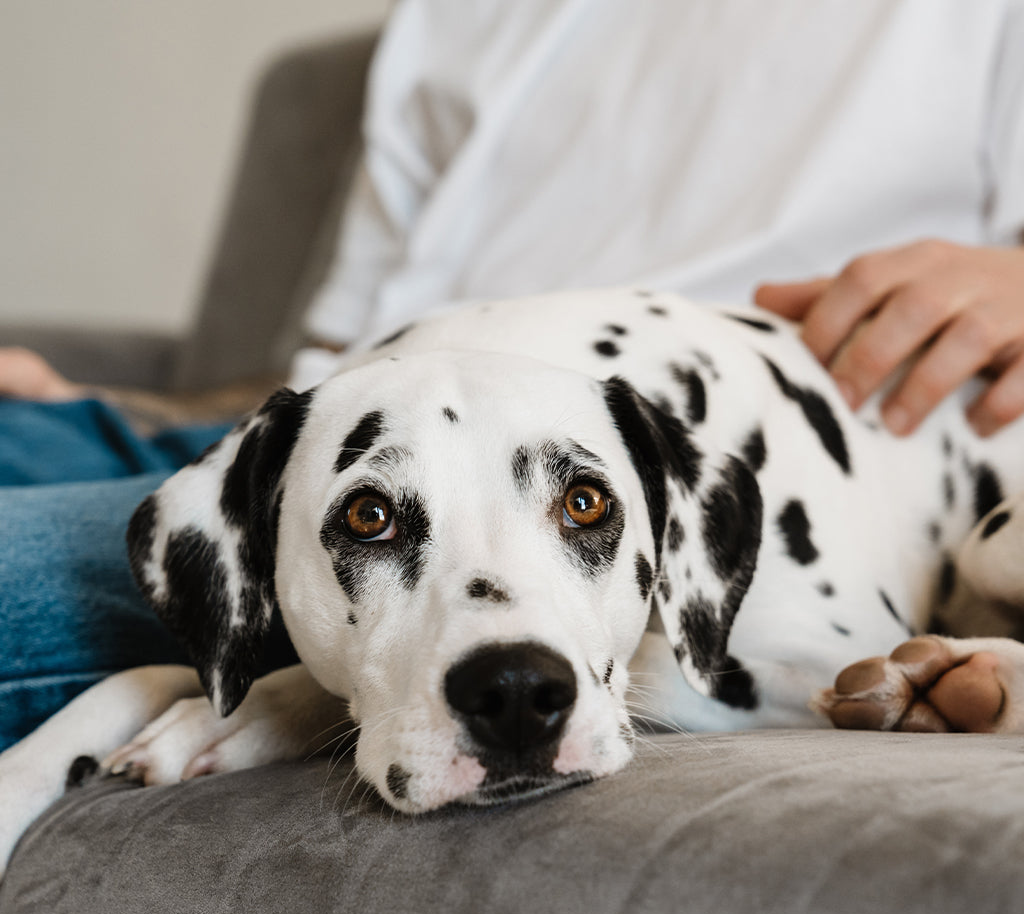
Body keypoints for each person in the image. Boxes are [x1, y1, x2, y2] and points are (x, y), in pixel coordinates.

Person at [3, 0, 1024, 748]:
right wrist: (113, 410)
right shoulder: (452, 21)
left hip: (658, 443)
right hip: (304, 445)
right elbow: (320, 369)